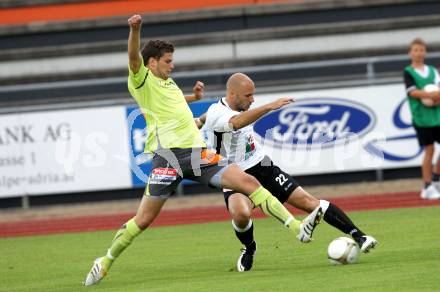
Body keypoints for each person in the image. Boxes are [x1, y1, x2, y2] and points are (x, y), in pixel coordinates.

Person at [83, 14, 323, 286]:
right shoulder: (141, 79)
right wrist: (135, 30)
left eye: (172, 61)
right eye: (167, 61)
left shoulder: (167, 83)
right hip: (169, 158)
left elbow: (171, 100)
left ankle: (297, 228)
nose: (172, 66)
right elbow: (133, 58)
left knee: (248, 182)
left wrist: (193, 98)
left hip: (198, 153)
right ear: (151, 63)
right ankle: (105, 262)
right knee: (144, 219)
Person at [197, 72, 378, 272]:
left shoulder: (215, 111)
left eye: (253, 95)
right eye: (248, 96)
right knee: (241, 214)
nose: (253, 99)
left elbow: (205, 118)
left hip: (262, 166)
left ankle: (359, 236)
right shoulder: (219, 113)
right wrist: (268, 106)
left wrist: (197, 122)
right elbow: (237, 122)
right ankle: (250, 248)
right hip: (234, 174)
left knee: (309, 203)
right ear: (232, 94)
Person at [404, 38, 440, 200]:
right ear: (410, 53)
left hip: (437, 116)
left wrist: (436, 96)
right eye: (415, 50)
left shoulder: (432, 70)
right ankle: (427, 186)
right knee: (429, 150)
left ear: (425, 52)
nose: (419, 53)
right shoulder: (409, 72)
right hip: (421, 118)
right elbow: (412, 92)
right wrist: (430, 95)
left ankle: (436, 179)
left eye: (421, 50)